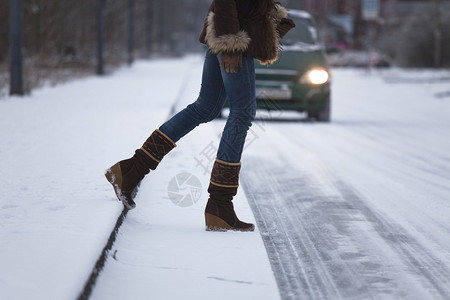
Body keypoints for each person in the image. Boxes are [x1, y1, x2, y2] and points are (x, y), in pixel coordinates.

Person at [105, 0, 295, 232]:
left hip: (229, 34)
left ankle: (131, 170)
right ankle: (220, 203)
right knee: (242, 113)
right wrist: (230, 44)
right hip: (234, 39)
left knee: (205, 107)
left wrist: (271, 15)